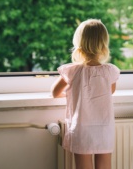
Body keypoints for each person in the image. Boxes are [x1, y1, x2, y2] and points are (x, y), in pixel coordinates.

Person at [51, 19, 120, 169]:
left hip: (81, 128)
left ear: (79, 45)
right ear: (103, 45)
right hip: (104, 126)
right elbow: (111, 91)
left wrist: (70, 94)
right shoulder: (109, 71)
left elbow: (55, 92)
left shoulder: (72, 71)